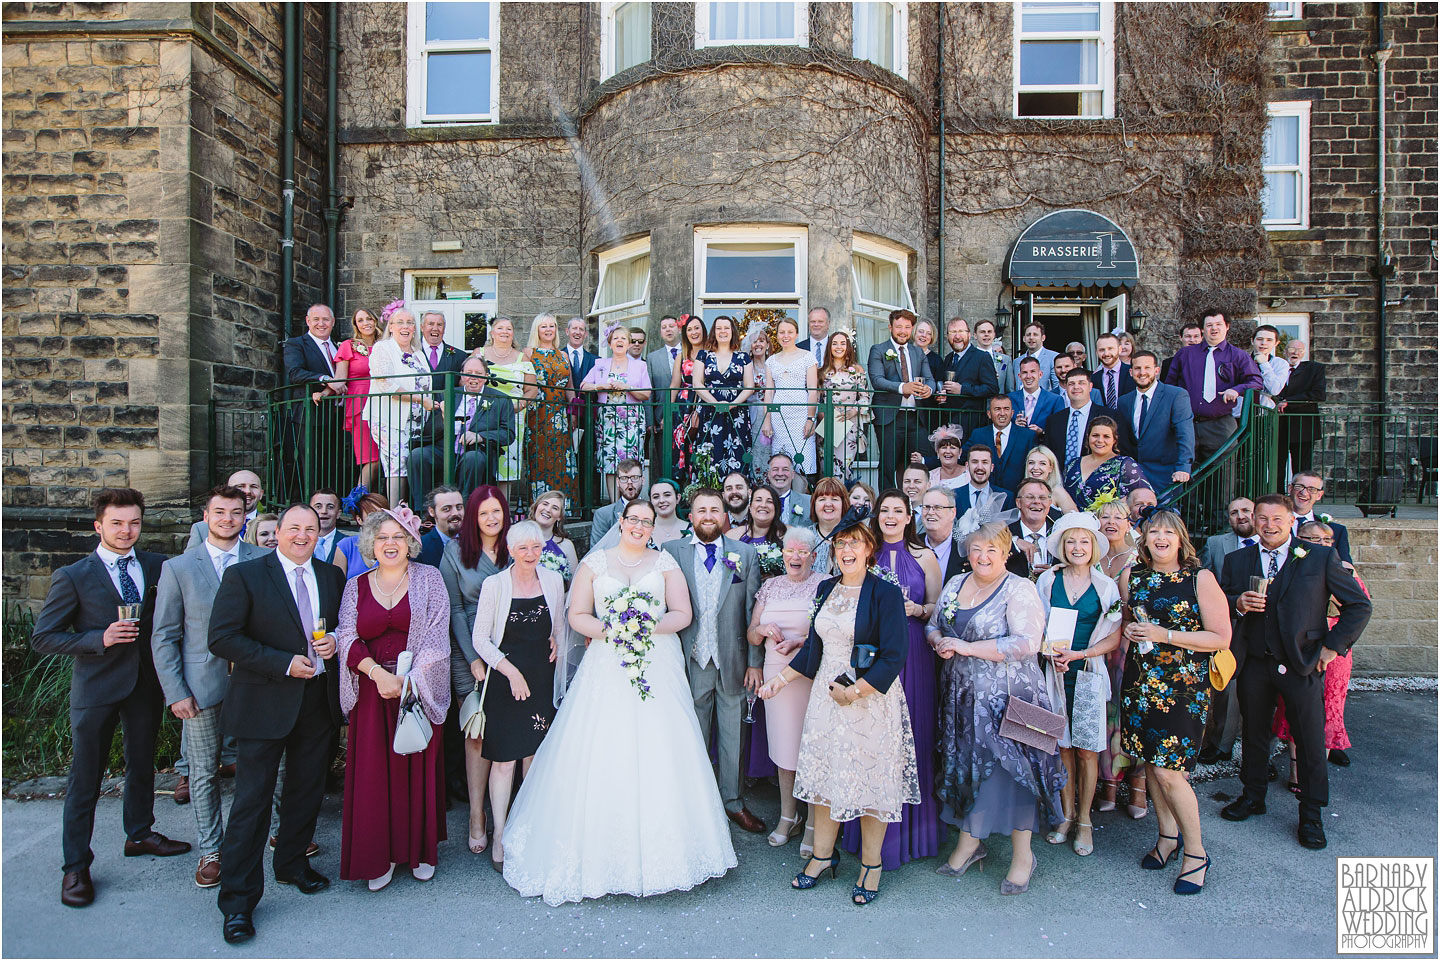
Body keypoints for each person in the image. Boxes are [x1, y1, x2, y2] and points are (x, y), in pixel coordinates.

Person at [502, 500, 738, 904]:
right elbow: (577, 615)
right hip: (606, 663)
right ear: (622, 522)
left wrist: (645, 628)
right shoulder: (595, 564)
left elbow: (682, 613)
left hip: (657, 662)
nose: (640, 527)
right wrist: (613, 631)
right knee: (603, 747)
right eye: (634, 520)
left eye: (647, 522)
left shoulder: (664, 564)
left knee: (661, 747)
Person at [32, 488, 186, 908]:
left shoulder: (158, 565)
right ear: (98, 526)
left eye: (134, 522)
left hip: (143, 684)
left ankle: (139, 833)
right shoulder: (75, 575)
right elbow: (44, 637)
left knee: (141, 764)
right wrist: (97, 638)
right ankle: (75, 866)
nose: (126, 530)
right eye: (117, 523)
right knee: (85, 779)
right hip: (96, 688)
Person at [758, 511, 915, 905]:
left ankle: (871, 865)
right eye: (840, 543)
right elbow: (814, 649)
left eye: (855, 543)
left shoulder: (885, 593)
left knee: (870, 783)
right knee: (824, 779)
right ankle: (823, 858)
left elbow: (895, 655)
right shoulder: (825, 588)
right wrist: (780, 680)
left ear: (869, 549)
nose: (847, 549)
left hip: (870, 703)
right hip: (825, 702)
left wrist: (857, 691)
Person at [209, 504, 343, 943]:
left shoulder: (330, 576)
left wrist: (336, 643)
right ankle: (238, 901)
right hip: (264, 702)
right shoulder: (245, 576)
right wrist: (283, 663)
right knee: (252, 803)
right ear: (276, 532)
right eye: (294, 528)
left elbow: (341, 626)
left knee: (306, 792)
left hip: (316, 703)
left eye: (311, 527)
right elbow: (223, 638)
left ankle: (291, 864)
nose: (303, 535)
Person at [1220, 494, 1371, 851]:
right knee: (1254, 734)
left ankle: (1312, 814)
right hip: (1255, 661)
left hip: (1302, 663)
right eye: (1262, 518)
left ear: (1292, 522)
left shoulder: (1317, 556)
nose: (1269, 525)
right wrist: (1236, 603)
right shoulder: (1237, 559)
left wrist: (1332, 647)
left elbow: (1359, 605)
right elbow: (1222, 601)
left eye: (1277, 518)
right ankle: (1253, 795)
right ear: (1253, 521)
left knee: (1309, 740)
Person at [928, 522, 1063, 895]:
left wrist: (967, 648)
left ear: (1006, 553)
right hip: (963, 696)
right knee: (971, 766)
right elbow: (934, 624)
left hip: (1017, 697)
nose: (983, 557)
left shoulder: (1020, 588)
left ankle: (1024, 856)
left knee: (1018, 773)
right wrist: (940, 639)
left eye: (992, 550)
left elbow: (1026, 643)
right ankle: (971, 842)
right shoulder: (955, 584)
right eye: (976, 549)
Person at [151, 486, 267, 890]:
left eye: (236, 513)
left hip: (255, 681)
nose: (228, 519)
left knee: (264, 763)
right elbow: (164, 635)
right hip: (201, 686)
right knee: (203, 771)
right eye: (220, 512)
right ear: (205, 516)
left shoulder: (263, 559)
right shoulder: (179, 568)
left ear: (244, 518)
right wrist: (175, 691)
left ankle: (268, 833)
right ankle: (211, 850)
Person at [335, 506, 449, 890]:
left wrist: (408, 681)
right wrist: (378, 675)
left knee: (414, 766)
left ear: (411, 542)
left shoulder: (430, 579)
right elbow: (347, 637)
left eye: (398, 536)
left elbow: (437, 636)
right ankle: (378, 855)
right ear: (370, 543)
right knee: (374, 774)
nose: (390, 543)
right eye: (382, 537)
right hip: (371, 690)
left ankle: (417, 851)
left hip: (415, 688)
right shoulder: (357, 585)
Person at [1119, 509, 1232, 893]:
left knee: (1171, 772)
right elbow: (1128, 622)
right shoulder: (1131, 576)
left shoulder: (1200, 578)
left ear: (1181, 538)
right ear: (1144, 539)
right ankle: (1167, 835)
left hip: (1183, 688)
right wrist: (1135, 631)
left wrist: (1165, 634)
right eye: (1154, 532)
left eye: (1169, 532)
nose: (1161, 538)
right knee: (1150, 764)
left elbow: (1220, 637)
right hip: (1140, 684)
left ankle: (1197, 852)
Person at [841, 489, 943, 871]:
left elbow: (938, 608)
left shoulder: (925, 557)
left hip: (913, 652)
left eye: (898, 510)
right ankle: (861, 831)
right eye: (884, 510)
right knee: (870, 739)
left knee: (911, 735)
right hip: (871, 650)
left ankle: (910, 834)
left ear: (908, 516)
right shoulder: (865, 553)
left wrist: (917, 608)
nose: (890, 516)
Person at [662, 489, 765, 833]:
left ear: (724, 517)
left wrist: (755, 662)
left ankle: (733, 802)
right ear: (689, 516)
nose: (708, 515)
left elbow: (752, 612)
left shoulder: (745, 554)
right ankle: (694, 803)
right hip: (690, 660)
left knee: (733, 736)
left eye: (714, 510)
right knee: (692, 735)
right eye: (700, 510)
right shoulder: (670, 552)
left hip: (733, 659)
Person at [468, 521, 565, 872]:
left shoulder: (552, 580)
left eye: (536, 548)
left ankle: (529, 829)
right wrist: (509, 672)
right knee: (505, 760)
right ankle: (499, 835)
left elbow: (559, 624)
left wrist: (556, 638)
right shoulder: (495, 585)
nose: (530, 554)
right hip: (506, 679)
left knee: (534, 758)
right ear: (509, 550)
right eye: (523, 548)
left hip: (541, 677)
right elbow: (480, 639)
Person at [1034, 513, 1121, 858]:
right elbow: (1037, 626)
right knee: (1062, 747)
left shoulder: (1106, 587)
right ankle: (1066, 814)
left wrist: (1081, 652)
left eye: (1084, 541)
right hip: (1054, 674)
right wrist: (1048, 652)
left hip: (1086, 673)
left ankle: (1085, 818)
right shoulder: (1047, 582)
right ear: (1061, 546)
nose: (1077, 547)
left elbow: (1113, 637)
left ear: (1094, 547)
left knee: (1087, 749)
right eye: (1071, 541)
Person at [438, 486, 510, 853]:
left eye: (496, 511)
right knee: (477, 731)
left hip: (511, 645)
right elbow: (452, 609)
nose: (491, 519)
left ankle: (505, 813)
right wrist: (473, 658)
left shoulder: (515, 546)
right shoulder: (454, 553)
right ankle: (477, 814)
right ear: (472, 517)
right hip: (469, 649)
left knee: (511, 726)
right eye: (483, 513)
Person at [746, 526, 826, 850]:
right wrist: (762, 627)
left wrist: (801, 641)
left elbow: (833, 633)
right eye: (789, 551)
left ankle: (813, 823)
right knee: (784, 749)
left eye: (802, 551)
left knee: (813, 748)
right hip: (776, 674)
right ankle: (788, 816)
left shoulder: (824, 585)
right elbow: (751, 633)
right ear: (782, 554)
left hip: (813, 672)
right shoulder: (769, 587)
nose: (795, 556)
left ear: (814, 556)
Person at [1273, 521, 1369, 778]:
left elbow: (1359, 607)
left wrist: (1333, 647)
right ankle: (1295, 770)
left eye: (1326, 540)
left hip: (1331, 649)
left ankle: (1316, 773)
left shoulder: (1343, 569)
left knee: (1329, 708)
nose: (1320, 544)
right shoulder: (1289, 565)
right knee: (1295, 707)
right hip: (1299, 647)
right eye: (1312, 539)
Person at [1163, 310, 1264, 508]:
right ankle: (1188, 521)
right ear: (1203, 330)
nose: (1214, 329)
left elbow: (1256, 381)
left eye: (1218, 324)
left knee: (1222, 475)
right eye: (1209, 325)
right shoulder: (1186, 354)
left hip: (1220, 423)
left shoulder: (1238, 356)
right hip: (1188, 423)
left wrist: (1237, 389)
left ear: (1227, 327)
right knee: (1186, 472)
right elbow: (1170, 384)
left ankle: (1217, 522)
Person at [406, 356, 516, 505]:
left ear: (486, 376)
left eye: (478, 373)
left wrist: (480, 436)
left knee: (473, 459)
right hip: (444, 447)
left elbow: (507, 434)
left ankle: (465, 509)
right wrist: (444, 418)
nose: (473, 377)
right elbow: (429, 430)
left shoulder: (500, 400)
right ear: (462, 375)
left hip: (476, 450)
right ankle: (425, 511)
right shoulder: (447, 394)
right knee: (417, 456)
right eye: (468, 372)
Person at [1093, 499, 1144, 814]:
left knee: (1129, 711)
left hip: (1128, 646)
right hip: (1097, 642)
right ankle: (1109, 783)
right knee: (1104, 713)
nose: (1111, 521)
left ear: (1129, 523)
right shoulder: (1091, 555)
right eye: (1104, 516)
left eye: (1118, 516)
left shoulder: (1138, 559)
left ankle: (1137, 784)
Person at [1197, 497, 1257, 765]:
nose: (1240, 516)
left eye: (1246, 511)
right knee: (1226, 690)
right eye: (1234, 512)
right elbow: (1205, 582)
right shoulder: (1215, 544)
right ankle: (1221, 744)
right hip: (1230, 624)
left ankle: (1261, 755)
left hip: (1266, 629)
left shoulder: (1272, 545)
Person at [366, 307, 439, 507]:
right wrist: (419, 400)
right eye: (400, 322)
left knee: (408, 464)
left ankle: (408, 513)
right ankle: (395, 513)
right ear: (390, 326)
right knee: (396, 466)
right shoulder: (383, 348)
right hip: (390, 418)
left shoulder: (418, 354)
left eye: (410, 322)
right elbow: (384, 384)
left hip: (416, 421)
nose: (405, 327)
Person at [582, 324, 652, 503]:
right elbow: (584, 385)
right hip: (608, 422)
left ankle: (631, 502)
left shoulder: (640, 366)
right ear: (610, 343)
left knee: (631, 462)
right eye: (616, 338)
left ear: (629, 344)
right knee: (610, 463)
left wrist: (627, 388)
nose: (619, 341)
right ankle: (615, 504)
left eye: (623, 338)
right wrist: (601, 386)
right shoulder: (600, 365)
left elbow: (646, 393)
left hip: (632, 420)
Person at [869, 309, 935, 488]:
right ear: (890, 327)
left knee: (918, 464)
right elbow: (877, 380)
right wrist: (902, 387)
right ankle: (885, 506)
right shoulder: (879, 349)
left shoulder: (918, 352)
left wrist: (929, 389)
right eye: (899, 327)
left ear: (912, 328)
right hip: (890, 417)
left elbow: (930, 379)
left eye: (907, 327)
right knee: (888, 465)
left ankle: (915, 506)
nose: (903, 331)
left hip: (915, 417)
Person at [280, 304, 340, 500]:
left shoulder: (339, 347)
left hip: (338, 414)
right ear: (308, 321)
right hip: (310, 414)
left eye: (325, 320)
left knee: (336, 463)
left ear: (332, 322)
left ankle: (333, 508)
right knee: (312, 463)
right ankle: (313, 507)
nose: (321, 324)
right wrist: (324, 379)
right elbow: (294, 373)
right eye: (316, 319)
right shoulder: (296, 344)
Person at [321, 307, 383, 492]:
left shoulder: (386, 344)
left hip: (387, 403)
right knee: (371, 457)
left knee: (389, 456)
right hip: (360, 404)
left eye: (369, 319)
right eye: (361, 320)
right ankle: (356, 501)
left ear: (376, 321)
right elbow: (340, 378)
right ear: (356, 325)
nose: (366, 323)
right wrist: (324, 393)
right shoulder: (348, 345)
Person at [1118, 350, 1195, 495]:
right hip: (1134, 477)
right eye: (1137, 368)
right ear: (1130, 372)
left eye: (1147, 368)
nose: (1142, 372)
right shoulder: (1124, 401)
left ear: (1157, 370)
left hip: (1166, 475)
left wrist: (1183, 467)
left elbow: (1185, 434)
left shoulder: (1176, 395)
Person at [523, 311, 578, 507]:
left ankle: (563, 507)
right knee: (540, 460)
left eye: (552, 326)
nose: (549, 330)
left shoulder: (562, 354)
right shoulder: (528, 353)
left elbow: (569, 386)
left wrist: (573, 411)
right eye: (544, 326)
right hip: (536, 414)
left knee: (561, 460)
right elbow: (523, 385)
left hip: (561, 415)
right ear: (537, 329)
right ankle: (539, 506)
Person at [481, 317, 538, 503]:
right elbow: (466, 381)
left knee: (507, 464)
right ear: (492, 332)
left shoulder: (522, 357)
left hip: (512, 415)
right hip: (483, 415)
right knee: (482, 459)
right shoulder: (479, 354)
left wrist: (518, 406)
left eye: (508, 328)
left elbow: (532, 390)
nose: (504, 331)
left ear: (513, 333)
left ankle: (503, 507)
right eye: (500, 328)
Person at [693, 315, 755, 479]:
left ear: (732, 331)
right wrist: (716, 404)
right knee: (711, 454)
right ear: (714, 332)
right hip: (710, 412)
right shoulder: (703, 355)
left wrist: (732, 404)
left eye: (726, 328)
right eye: (719, 328)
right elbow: (697, 383)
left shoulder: (743, 357)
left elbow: (750, 386)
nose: (723, 331)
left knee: (737, 454)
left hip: (737, 414)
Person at [762, 316, 820, 479]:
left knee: (803, 462)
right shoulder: (771, 361)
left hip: (801, 416)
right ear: (777, 335)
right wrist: (767, 419)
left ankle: (801, 500)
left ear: (796, 334)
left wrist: (810, 419)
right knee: (781, 462)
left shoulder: (807, 357)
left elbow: (813, 390)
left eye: (789, 332)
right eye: (781, 332)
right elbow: (769, 392)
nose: (785, 336)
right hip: (779, 418)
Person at [1045, 368, 1124, 471]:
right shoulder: (1054, 420)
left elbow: (1121, 450)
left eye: (1081, 383)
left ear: (1090, 387)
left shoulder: (1110, 416)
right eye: (1071, 384)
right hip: (1060, 482)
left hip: (1097, 479)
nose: (1076, 387)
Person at [817, 329, 871, 480]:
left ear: (848, 347)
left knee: (843, 467)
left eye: (842, 343)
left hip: (849, 425)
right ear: (829, 347)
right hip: (827, 425)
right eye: (834, 343)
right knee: (825, 467)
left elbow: (865, 397)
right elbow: (817, 400)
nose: (838, 347)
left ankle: (841, 498)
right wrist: (823, 415)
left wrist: (853, 411)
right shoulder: (821, 372)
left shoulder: (857, 370)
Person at [1063, 417, 1151, 508]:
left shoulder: (1125, 464)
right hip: (1070, 520)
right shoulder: (1073, 464)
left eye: (1106, 436)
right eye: (1095, 435)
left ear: (1114, 440)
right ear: (1088, 437)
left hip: (1108, 521)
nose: (1100, 440)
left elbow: (1145, 497)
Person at [1275, 340, 1326, 484]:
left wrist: (1289, 401)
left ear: (1304, 353)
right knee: (1277, 465)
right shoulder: (1276, 368)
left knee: (1302, 467)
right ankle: (1278, 498)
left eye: (1300, 350)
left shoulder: (1314, 369)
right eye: (1291, 348)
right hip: (1279, 424)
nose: (1295, 352)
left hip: (1303, 425)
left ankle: (1300, 498)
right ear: (1284, 351)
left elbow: (1319, 394)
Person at [967, 394, 1035, 494]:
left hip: (1017, 498)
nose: (1002, 413)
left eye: (1006, 409)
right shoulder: (978, 435)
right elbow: (960, 457)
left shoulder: (1027, 436)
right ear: (989, 414)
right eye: (997, 409)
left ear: (1012, 413)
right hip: (985, 498)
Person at [668, 314, 707, 483]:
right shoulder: (681, 355)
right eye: (689, 329)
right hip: (684, 407)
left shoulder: (711, 352)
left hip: (705, 403)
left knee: (702, 447)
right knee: (682, 448)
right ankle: (682, 494)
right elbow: (674, 385)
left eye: (697, 328)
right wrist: (668, 412)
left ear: (703, 330)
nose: (693, 332)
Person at [1288, 471, 1354, 565]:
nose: (1304, 493)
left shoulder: (1337, 530)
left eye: (1312, 489)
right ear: (1290, 488)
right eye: (1299, 486)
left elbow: (1345, 566)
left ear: (1319, 495)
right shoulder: (1275, 526)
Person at [187, 469, 263, 549]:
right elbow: (190, 559)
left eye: (254, 487)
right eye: (240, 486)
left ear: (261, 494)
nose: (247, 491)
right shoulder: (201, 528)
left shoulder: (273, 525)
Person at [646, 315, 682, 468]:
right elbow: (649, 390)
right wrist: (650, 420)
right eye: (664, 327)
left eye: (671, 325)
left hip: (688, 416)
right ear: (660, 333)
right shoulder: (652, 357)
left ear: (679, 329)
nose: (668, 329)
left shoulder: (691, 353)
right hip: (662, 419)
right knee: (665, 464)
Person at [1008, 478, 1062, 575]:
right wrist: (1013, 542)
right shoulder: (1005, 535)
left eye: (1042, 498)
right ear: (1018, 503)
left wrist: (1054, 575)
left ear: (1050, 503)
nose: (1037, 502)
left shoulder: (1061, 534)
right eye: (1030, 497)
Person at [733, 483, 788, 578]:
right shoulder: (734, 536)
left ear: (776, 508)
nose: (763, 505)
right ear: (750, 507)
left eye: (769, 501)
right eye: (758, 500)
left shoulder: (788, 534)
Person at [912, 317, 948, 460]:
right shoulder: (905, 354)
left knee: (926, 453)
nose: (924, 336)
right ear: (914, 333)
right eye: (921, 331)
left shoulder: (936, 359)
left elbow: (940, 383)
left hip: (928, 413)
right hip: (907, 411)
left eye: (928, 333)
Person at [588, 458, 645, 546]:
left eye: (634, 478)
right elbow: (596, 552)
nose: (629, 482)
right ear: (618, 482)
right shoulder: (603, 514)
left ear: (643, 480)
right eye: (624, 478)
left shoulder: (653, 512)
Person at [529, 489, 579, 584]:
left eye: (555, 508)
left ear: (559, 517)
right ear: (536, 507)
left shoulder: (566, 546)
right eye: (545, 504)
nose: (548, 510)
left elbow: (574, 587)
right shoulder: (519, 539)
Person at [334, 491, 388, 579]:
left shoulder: (393, 544)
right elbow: (337, 584)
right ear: (359, 519)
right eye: (372, 514)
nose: (378, 519)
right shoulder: (346, 545)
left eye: (382, 514)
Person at [1011, 356, 1065, 443]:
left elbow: (1060, 431)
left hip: (1043, 450)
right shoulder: (1009, 399)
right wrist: (1014, 427)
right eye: (1024, 372)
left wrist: (1042, 432)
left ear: (1040, 374)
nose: (1028, 376)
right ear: (1019, 376)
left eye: (1033, 372)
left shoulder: (1055, 400)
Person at [954, 444, 1013, 519]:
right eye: (975, 462)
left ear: (991, 467)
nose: (980, 467)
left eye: (984, 462)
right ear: (967, 466)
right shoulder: (954, 496)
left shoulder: (1006, 497)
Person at [921, 487, 966, 582]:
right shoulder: (909, 545)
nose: (930, 512)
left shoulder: (965, 551)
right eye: (926, 507)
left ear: (953, 513)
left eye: (938, 508)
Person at [746, 331, 774, 477]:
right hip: (754, 413)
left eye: (762, 340)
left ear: (767, 345)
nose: (758, 344)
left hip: (772, 413)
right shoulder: (747, 366)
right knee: (756, 449)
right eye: (754, 341)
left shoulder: (774, 365)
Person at [807, 477, 849, 575]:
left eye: (834, 499)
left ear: (843, 504)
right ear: (814, 504)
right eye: (822, 499)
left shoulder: (855, 536)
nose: (828, 504)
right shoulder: (803, 537)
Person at [417, 310, 468, 387]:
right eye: (431, 324)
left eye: (439, 325)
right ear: (422, 327)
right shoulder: (411, 352)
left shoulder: (460, 356)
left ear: (444, 328)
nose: (435, 328)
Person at [1023, 445, 1078, 514]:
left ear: (1051, 468)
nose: (1035, 467)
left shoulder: (1057, 491)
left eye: (1042, 463)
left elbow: (1075, 519)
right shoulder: (1023, 491)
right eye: (1031, 463)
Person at [417, 486, 463, 567]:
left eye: (459, 507)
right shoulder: (421, 548)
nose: (455, 513)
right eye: (446, 509)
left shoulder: (477, 542)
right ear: (432, 511)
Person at [1249, 324, 1290, 415]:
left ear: (1276, 343)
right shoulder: (1241, 360)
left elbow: (1275, 390)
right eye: (1259, 339)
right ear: (1252, 341)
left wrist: (1264, 364)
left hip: (1264, 415)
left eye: (1269, 340)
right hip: (1239, 414)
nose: (1264, 343)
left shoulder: (1280, 364)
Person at [766, 452, 812, 526]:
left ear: (792, 474)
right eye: (775, 469)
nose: (780, 474)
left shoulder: (809, 502)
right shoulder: (758, 503)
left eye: (785, 469)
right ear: (768, 474)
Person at [1092, 332, 1134, 409]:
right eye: (1102, 350)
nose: (1106, 353)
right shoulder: (1093, 379)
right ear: (1096, 353)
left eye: (1110, 348)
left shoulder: (1132, 373)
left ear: (1120, 349)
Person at [973, 319, 1017, 394]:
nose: (986, 334)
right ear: (975, 336)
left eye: (989, 332)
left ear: (994, 335)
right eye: (982, 332)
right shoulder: (969, 358)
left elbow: (1010, 390)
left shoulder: (1005, 360)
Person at [1018, 320, 1061, 392]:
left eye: (1035, 334)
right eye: (1028, 335)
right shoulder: (1017, 361)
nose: (1031, 337)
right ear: (1024, 338)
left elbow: (1057, 386)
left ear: (1043, 338)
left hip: (1046, 402)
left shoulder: (1053, 357)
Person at [647, 478, 691, 546]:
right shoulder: (644, 531)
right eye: (656, 497)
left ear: (678, 498)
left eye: (667, 495)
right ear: (650, 501)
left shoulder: (692, 530)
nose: (661, 500)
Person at [310, 489, 343, 564]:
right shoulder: (300, 541)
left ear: (338, 513)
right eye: (318, 506)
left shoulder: (349, 543)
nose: (324, 511)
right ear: (309, 511)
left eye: (330, 507)